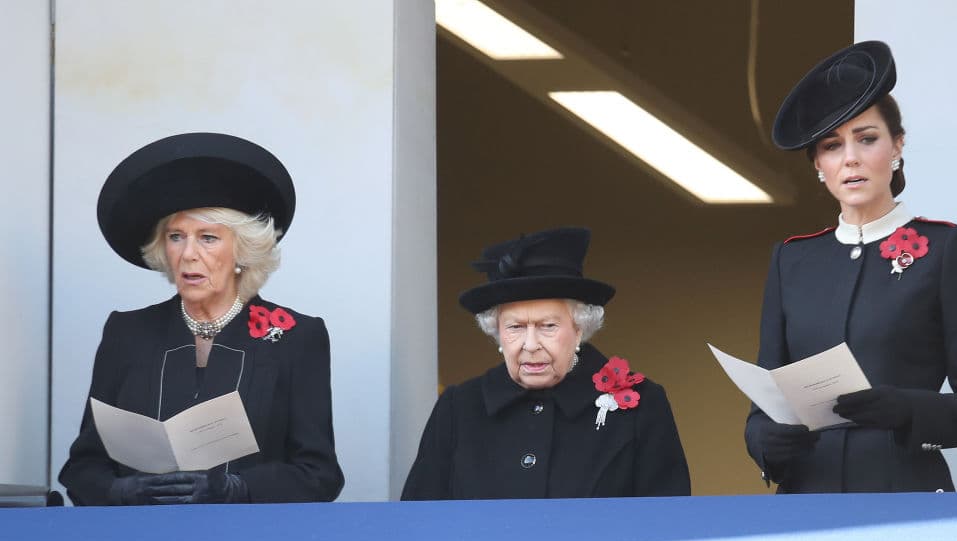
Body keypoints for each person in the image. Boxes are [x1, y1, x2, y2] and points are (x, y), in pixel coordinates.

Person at [745, 41, 957, 493]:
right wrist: (765, 442)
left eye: (867, 139)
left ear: (897, 145)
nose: (850, 158)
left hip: (903, 493)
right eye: (831, 146)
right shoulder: (792, 259)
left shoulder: (948, 248)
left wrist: (906, 409)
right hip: (805, 500)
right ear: (819, 166)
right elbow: (766, 401)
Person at [59, 132, 343, 505]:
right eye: (176, 237)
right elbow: (82, 468)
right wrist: (120, 491)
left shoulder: (296, 337)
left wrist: (237, 489)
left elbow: (319, 475)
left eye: (208, 238)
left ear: (242, 250)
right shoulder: (127, 333)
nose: (188, 254)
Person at [402, 227, 690, 500]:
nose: (530, 344)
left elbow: (667, 526)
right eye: (515, 327)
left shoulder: (641, 406)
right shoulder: (459, 408)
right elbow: (418, 525)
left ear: (579, 329)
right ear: (497, 332)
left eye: (548, 326)